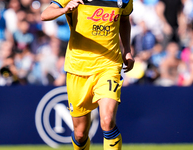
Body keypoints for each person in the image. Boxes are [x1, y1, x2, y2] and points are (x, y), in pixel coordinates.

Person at [41, 0, 134, 149]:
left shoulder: (124, 1)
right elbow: (45, 14)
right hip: (78, 69)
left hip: (108, 66)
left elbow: (124, 20)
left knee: (107, 120)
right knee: (80, 133)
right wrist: (64, 9)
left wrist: (127, 50)